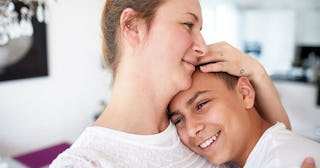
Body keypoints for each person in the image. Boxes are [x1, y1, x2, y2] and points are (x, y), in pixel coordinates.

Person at [50, 0, 312, 167]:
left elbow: (269, 145)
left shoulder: (190, 131)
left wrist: (257, 72)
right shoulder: (86, 162)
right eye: (188, 24)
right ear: (132, 26)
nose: (201, 46)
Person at [168, 69, 320, 167]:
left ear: (244, 93)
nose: (191, 129)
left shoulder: (279, 162)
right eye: (179, 120)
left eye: (201, 105)